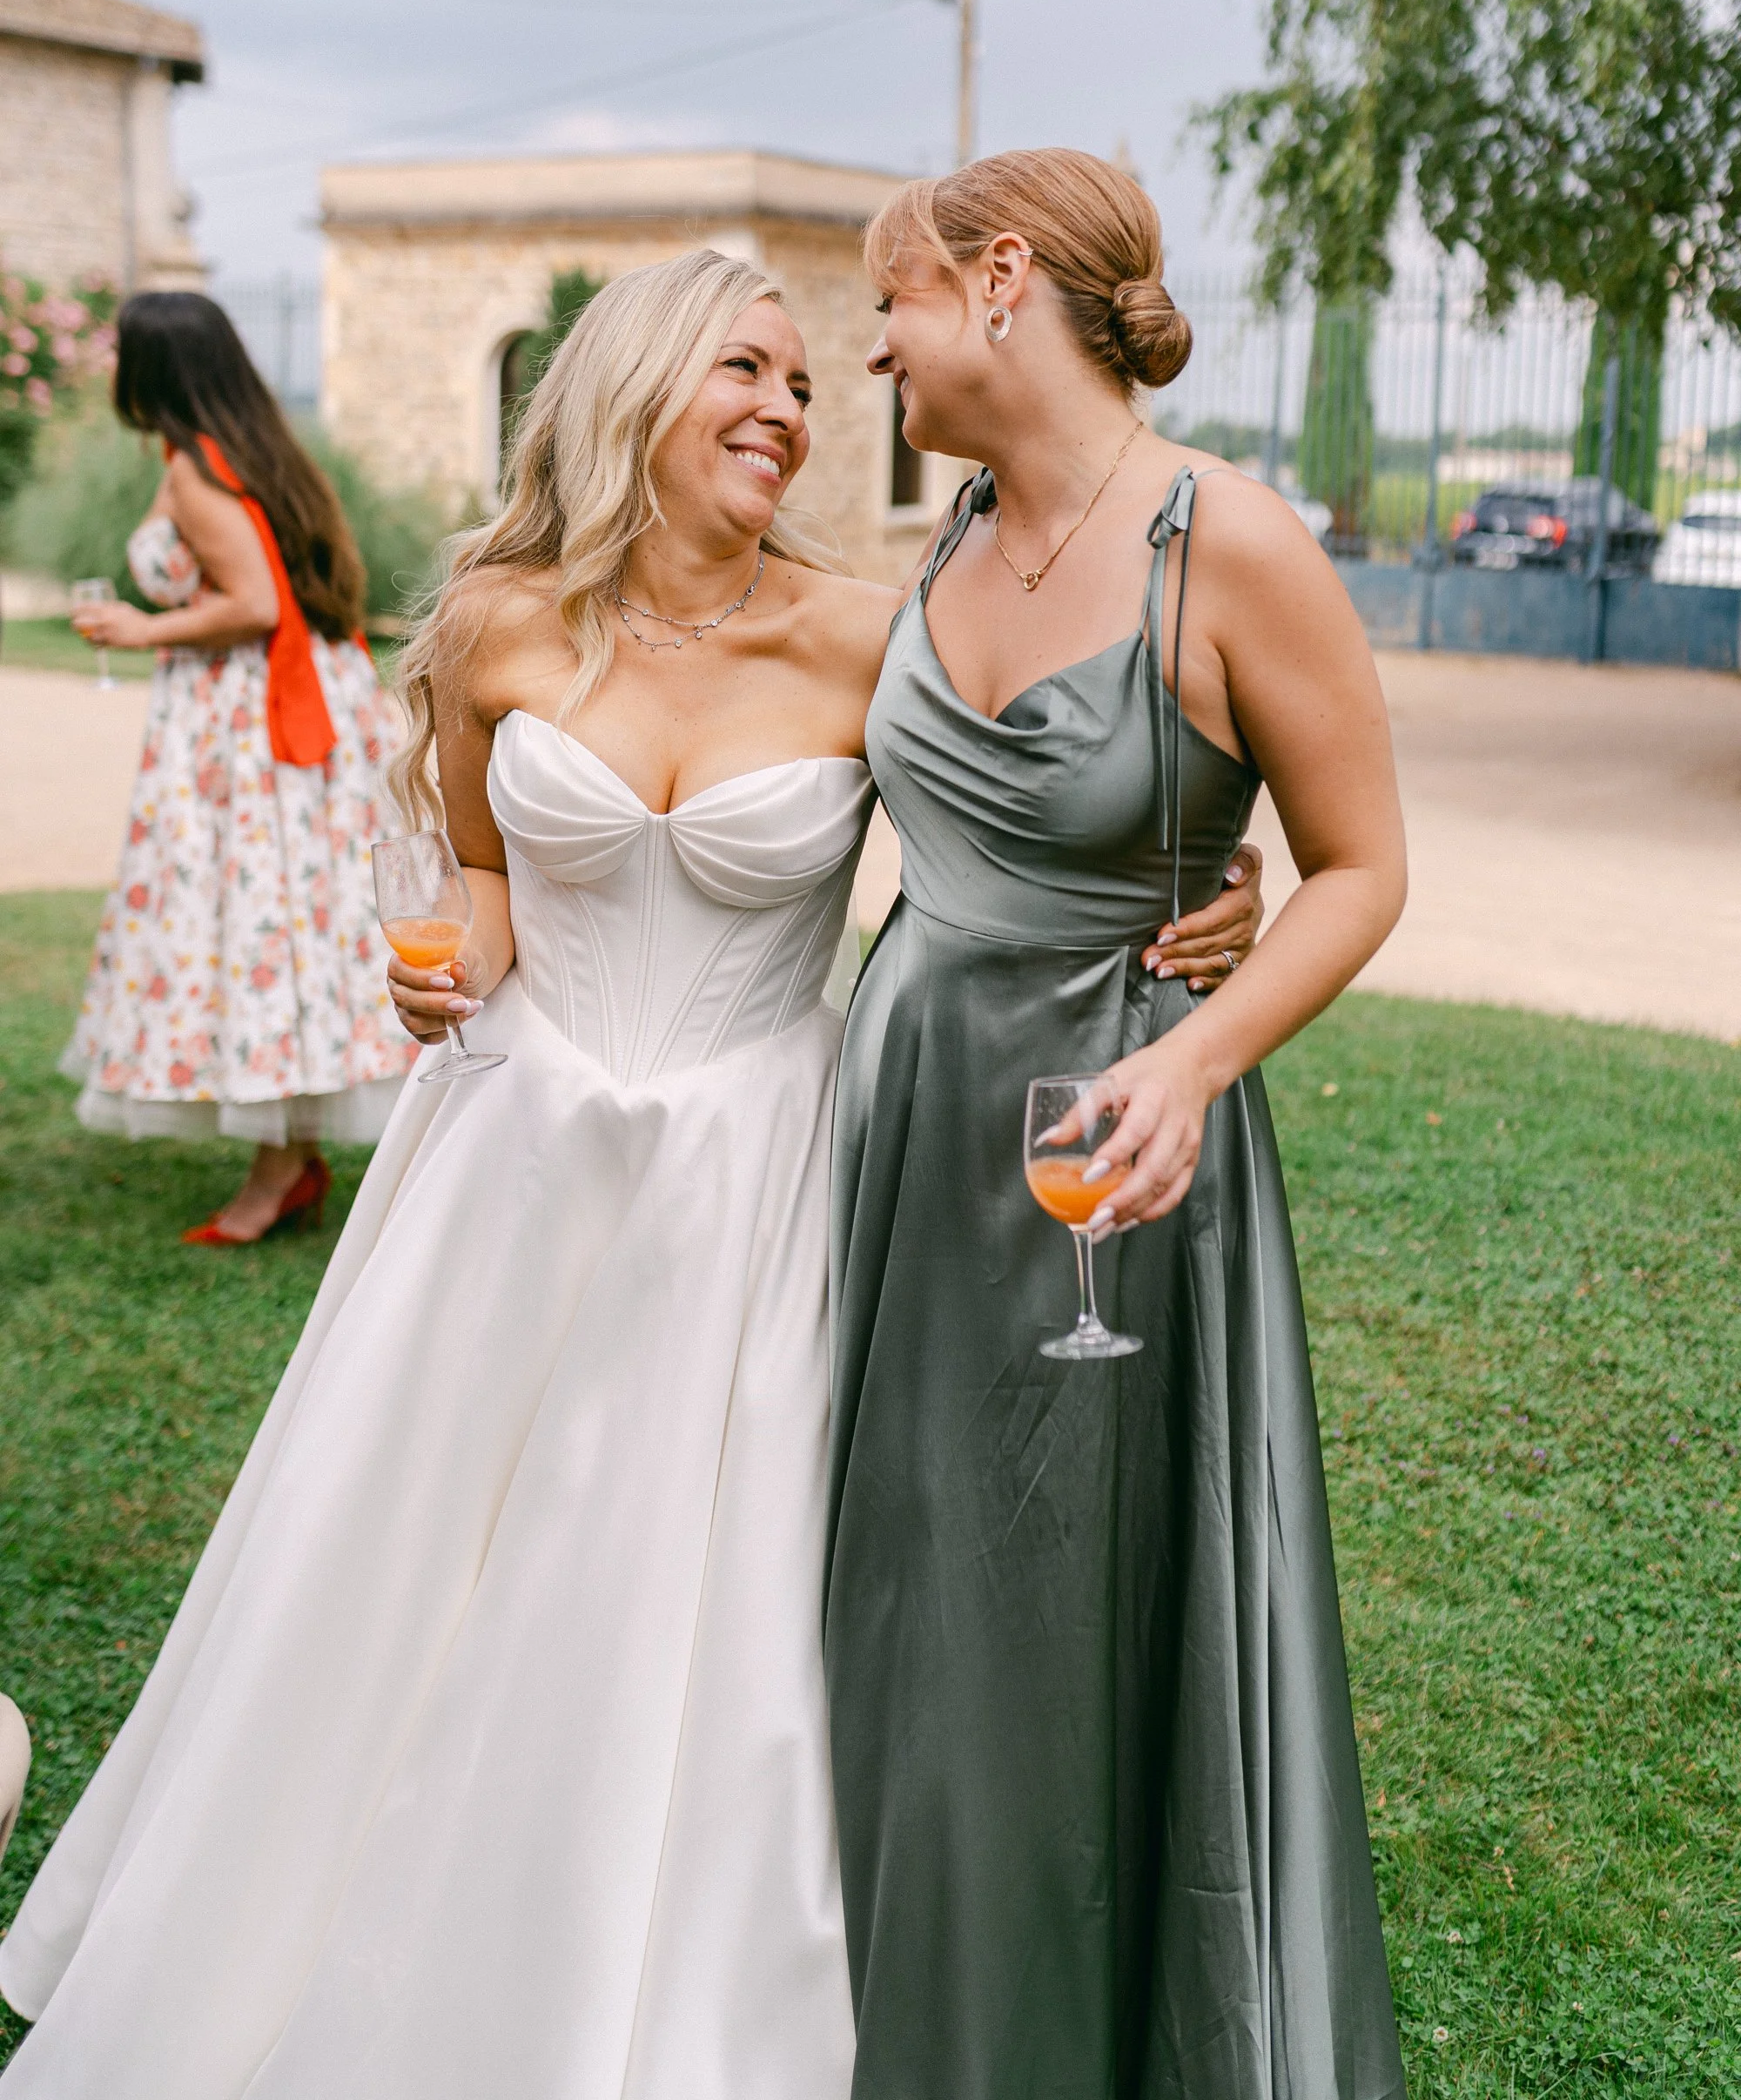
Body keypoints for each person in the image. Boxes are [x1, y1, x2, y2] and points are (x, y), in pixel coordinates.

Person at [1, 244, 1262, 2096]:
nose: (785, 409)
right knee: (407, 1574)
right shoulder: (501, 624)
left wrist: (1204, 881)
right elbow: (484, 883)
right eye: (742, 371)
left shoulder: (865, 634)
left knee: (697, 1601)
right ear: (634, 394)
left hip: (753, 1181)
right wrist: (446, 951)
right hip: (505, 1164)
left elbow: (1030, 829)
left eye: (805, 382)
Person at [824, 151, 1410, 2099]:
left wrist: (1200, 1053)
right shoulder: (939, 536)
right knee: (901, 1590)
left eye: (892, 301)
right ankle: (899, 2011)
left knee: (1081, 1600)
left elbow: (1356, 867)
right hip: (907, 1136)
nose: (875, 348)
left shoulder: (1225, 543)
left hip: (1119, 1152)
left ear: (1000, 284)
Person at [63, 292, 414, 1242]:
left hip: (248, 722)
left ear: (152, 371)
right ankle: (287, 1158)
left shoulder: (192, 467)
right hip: (293, 707)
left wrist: (144, 626)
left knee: (259, 916)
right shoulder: (255, 450)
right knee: (296, 924)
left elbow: (255, 600)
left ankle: (279, 1168)